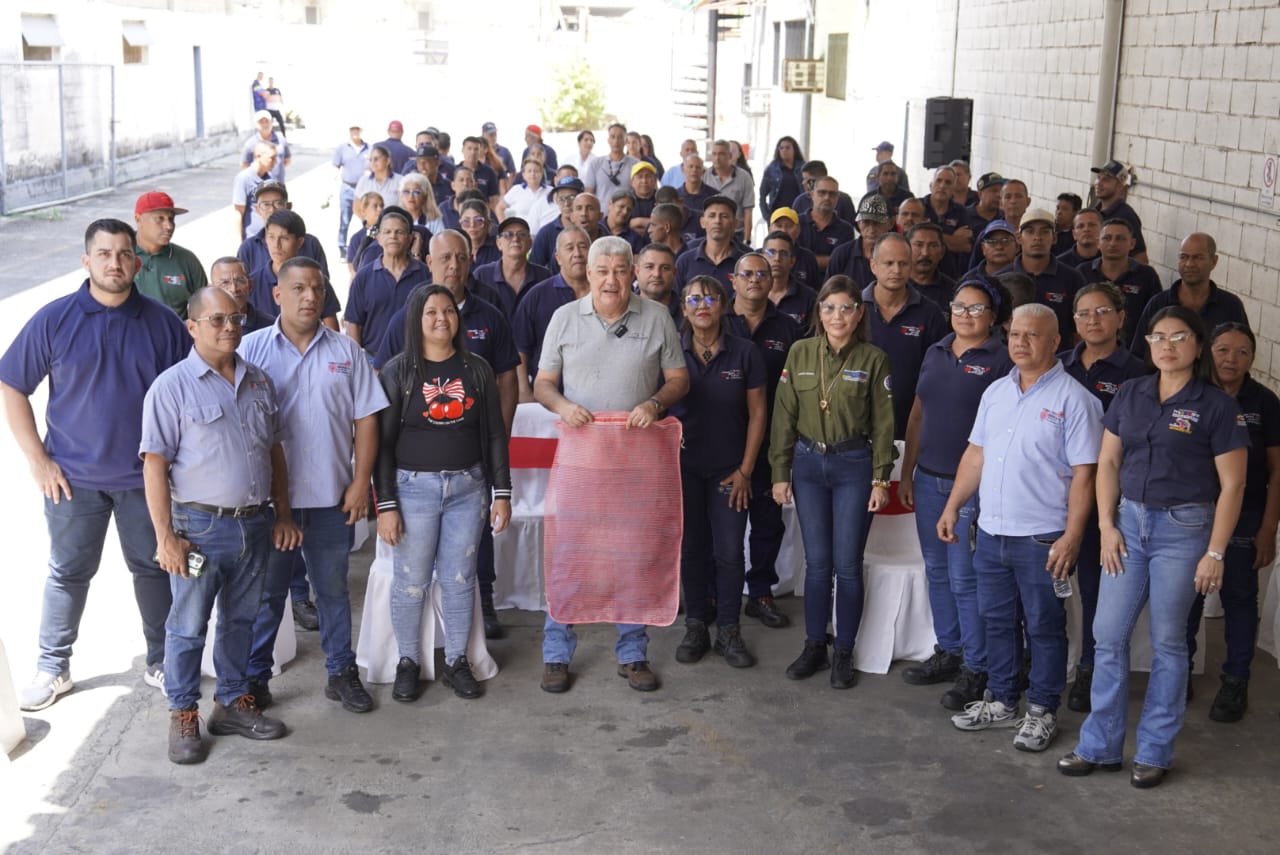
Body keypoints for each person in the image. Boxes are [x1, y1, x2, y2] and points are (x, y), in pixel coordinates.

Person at [1, 219, 188, 712]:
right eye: (104, 254)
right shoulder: (55, 319)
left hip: (144, 479)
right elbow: (11, 384)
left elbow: (187, 394)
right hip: (72, 481)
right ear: (86, 261)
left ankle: (162, 660)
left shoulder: (162, 323)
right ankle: (52, 667)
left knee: (154, 568)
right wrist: (39, 461)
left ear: (137, 262)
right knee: (67, 572)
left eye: (124, 254)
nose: (114, 263)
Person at [1060, 307, 1247, 788]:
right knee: (1107, 635)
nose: (1167, 346)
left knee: (1168, 641)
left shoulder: (1216, 405)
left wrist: (1216, 552)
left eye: (1179, 337)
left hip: (1184, 530)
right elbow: (1108, 461)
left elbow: (1233, 486)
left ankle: (1154, 750)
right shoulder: (1132, 392)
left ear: (1198, 346)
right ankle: (1099, 745)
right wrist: (1107, 524)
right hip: (1128, 524)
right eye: (1158, 337)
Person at [140, 287, 302, 765]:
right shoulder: (171, 387)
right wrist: (166, 537)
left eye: (235, 318)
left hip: (254, 524)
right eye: (217, 320)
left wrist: (283, 512)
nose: (230, 327)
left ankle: (231, 702)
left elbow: (274, 450)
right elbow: (154, 466)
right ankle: (183, 713)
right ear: (192, 327)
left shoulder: (259, 381)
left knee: (241, 620)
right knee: (188, 627)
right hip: (199, 529)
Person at [532, 236, 690, 694]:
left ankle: (633, 653)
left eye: (621, 270)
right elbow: (543, 383)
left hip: (636, 465)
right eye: (602, 270)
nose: (611, 280)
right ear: (588, 273)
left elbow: (679, 380)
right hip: (581, 463)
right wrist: (563, 406)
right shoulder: (565, 318)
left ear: (633, 273)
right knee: (568, 553)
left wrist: (655, 404)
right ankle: (556, 653)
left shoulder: (657, 317)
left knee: (633, 555)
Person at [942, 303, 1103, 753]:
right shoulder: (996, 392)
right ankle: (1002, 700)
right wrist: (953, 506)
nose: (1021, 342)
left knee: (1044, 626)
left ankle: (1043, 709)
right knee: (996, 621)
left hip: (1042, 538)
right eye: (1015, 334)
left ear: (1055, 342)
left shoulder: (1075, 400)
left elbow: (1086, 476)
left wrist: (1073, 535)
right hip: (992, 532)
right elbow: (976, 454)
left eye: (1032, 335)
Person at [240, 258, 388, 713]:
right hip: (270, 503)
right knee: (268, 594)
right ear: (277, 295)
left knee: (332, 591)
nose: (309, 297)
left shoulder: (346, 352)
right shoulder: (249, 350)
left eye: (317, 289)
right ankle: (255, 679)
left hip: (330, 496)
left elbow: (367, 418)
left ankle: (340, 672)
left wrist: (361, 483)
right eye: (299, 288)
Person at [373, 284, 512, 702]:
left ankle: (456, 661)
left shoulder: (477, 370)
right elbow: (381, 444)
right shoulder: (397, 372)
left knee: (459, 579)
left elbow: (494, 434)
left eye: (448, 311)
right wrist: (386, 505)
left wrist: (502, 492)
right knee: (411, 581)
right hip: (412, 491)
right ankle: (408, 661)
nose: (441, 319)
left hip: (468, 490)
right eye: (431, 312)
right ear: (416, 320)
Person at [770, 275, 895, 690]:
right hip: (808, 465)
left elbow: (884, 424)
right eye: (829, 307)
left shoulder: (874, 358)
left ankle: (844, 650)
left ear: (859, 314)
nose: (837, 316)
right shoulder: (800, 352)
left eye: (846, 308)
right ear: (818, 313)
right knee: (817, 563)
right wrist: (780, 472)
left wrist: (881, 479)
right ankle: (813, 645)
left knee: (847, 564)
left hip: (853, 465)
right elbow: (783, 416)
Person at [899, 279, 1013, 710]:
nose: (965, 315)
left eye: (976, 308)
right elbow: (917, 415)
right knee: (937, 570)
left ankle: (976, 665)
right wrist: (907, 473)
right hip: (928, 479)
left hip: (971, 488)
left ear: (993, 316)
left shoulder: (1003, 359)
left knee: (966, 579)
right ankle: (949, 649)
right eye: (959, 306)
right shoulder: (936, 351)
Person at [1059, 283, 1149, 713]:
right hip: (1054, 493)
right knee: (1049, 585)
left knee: (1097, 590)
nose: (1092, 320)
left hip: (1107, 498)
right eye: (1083, 313)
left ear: (1120, 317)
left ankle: (1091, 669)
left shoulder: (1138, 373)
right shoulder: (1058, 365)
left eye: (1102, 312)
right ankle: (1045, 663)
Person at [1184, 323, 1280, 723]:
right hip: (1191, 514)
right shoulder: (1192, 393)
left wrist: (1268, 529)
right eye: (1223, 349)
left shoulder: (1265, 402)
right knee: (1186, 597)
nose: (1231, 359)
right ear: (1208, 351)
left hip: (1245, 515)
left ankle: (1236, 680)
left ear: (1253, 358)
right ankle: (1180, 672)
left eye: (1242, 352)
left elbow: (1277, 471)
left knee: (1239, 598)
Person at [671, 275, 767, 669]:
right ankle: (696, 625)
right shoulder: (671, 352)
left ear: (724, 306)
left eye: (711, 299)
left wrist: (746, 470)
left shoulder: (745, 352)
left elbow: (758, 414)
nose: (703, 306)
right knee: (692, 549)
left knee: (729, 552)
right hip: (684, 471)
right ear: (683, 308)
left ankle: (729, 629)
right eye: (694, 299)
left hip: (731, 472)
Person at [726, 253, 803, 629]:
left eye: (763, 274)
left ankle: (760, 593)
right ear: (733, 280)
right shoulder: (716, 321)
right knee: (723, 524)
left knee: (768, 522)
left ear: (772, 281)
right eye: (747, 274)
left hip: (773, 442)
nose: (755, 279)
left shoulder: (788, 328)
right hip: (725, 442)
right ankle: (716, 593)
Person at [1130, 233, 1248, 360]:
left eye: (1198, 257)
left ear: (1213, 261)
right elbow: (1138, 354)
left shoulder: (1230, 305)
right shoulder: (1158, 304)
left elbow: (1244, 350)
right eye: (1184, 257)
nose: (1189, 264)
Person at [345, 206, 431, 361]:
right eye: (387, 232)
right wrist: (358, 362)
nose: (393, 236)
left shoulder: (425, 275)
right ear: (378, 237)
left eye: (399, 232)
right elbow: (353, 323)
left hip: (415, 359)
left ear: (410, 238)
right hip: (372, 359)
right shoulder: (363, 277)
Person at [1077, 219, 1162, 344]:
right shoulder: (1082, 272)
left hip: (1135, 350)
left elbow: (1157, 317)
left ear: (1132, 244)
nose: (1113, 243)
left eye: (1120, 239)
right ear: (1098, 242)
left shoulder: (1147, 275)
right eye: (1107, 238)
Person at [132, 191, 207, 318]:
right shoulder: (119, 257)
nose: (169, 226)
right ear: (138, 219)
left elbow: (205, 309)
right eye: (160, 219)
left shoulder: (187, 260)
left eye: (171, 219)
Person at [1091, 159, 1148, 264]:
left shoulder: (1126, 216)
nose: (1099, 183)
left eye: (1106, 179)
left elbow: (1140, 258)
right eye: (1098, 177)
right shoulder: (1093, 212)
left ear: (1120, 186)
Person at [332, 125, 370, 259]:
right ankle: (342, 248)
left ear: (361, 131)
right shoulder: (342, 148)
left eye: (357, 130)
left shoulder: (369, 148)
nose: (355, 132)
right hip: (347, 188)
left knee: (366, 220)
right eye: (352, 130)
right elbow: (335, 168)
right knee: (344, 220)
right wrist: (330, 189)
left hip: (363, 190)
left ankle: (365, 248)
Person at [706, 139, 755, 239]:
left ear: (730, 156)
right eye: (714, 154)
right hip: (711, 234)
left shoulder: (744, 178)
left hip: (736, 234)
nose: (717, 158)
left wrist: (747, 239)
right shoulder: (705, 176)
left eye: (721, 154)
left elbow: (748, 211)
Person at [210, 256, 273, 333]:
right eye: (225, 283)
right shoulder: (203, 325)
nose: (234, 289)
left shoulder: (269, 327)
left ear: (250, 285)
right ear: (211, 289)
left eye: (240, 281)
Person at [232, 141, 277, 241]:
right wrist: (238, 241)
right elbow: (238, 213)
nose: (275, 162)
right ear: (258, 156)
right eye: (271, 158)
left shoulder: (271, 180)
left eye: (276, 158)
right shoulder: (244, 179)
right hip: (251, 239)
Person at [583, 123, 638, 196]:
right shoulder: (595, 164)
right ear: (608, 140)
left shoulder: (636, 165)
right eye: (612, 137)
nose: (616, 141)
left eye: (620, 137)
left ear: (625, 141)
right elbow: (588, 194)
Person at [759, 136, 805, 219]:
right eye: (781, 148)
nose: (784, 150)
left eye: (787, 148)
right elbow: (762, 196)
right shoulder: (771, 169)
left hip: (799, 214)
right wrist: (767, 217)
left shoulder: (803, 168)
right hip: (777, 214)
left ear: (794, 150)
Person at [241, 111, 290, 183]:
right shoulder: (250, 144)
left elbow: (287, 160)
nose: (264, 124)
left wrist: (276, 171)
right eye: (261, 122)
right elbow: (244, 164)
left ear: (271, 122)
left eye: (267, 121)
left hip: (279, 184)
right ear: (256, 124)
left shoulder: (281, 140)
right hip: (259, 186)